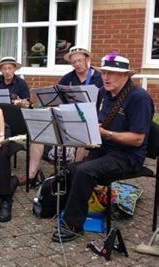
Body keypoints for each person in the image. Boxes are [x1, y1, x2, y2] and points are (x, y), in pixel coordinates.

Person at [52, 54, 154, 242]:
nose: (105, 77)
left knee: (84, 171)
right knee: (72, 169)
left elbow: (138, 139)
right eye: (104, 72)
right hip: (104, 149)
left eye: (112, 73)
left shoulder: (139, 98)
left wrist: (107, 134)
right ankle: (71, 211)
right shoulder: (103, 93)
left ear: (125, 75)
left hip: (128, 155)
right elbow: (98, 122)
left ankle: (72, 225)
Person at [20, 46, 104, 186]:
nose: (77, 64)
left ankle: (73, 174)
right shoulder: (68, 78)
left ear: (88, 60)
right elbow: (56, 100)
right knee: (38, 133)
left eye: (80, 60)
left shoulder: (99, 77)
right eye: (74, 62)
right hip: (68, 119)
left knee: (85, 141)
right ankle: (31, 174)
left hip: (90, 121)